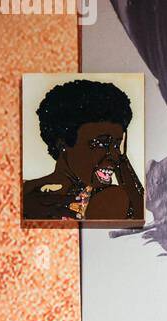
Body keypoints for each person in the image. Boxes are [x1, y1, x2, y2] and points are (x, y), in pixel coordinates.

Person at [23, 78, 144, 222]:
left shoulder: (111, 198)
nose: (115, 156)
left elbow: (141, 217)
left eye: (117, 145)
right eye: (101, 143)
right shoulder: (22, 194)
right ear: (63, 143)